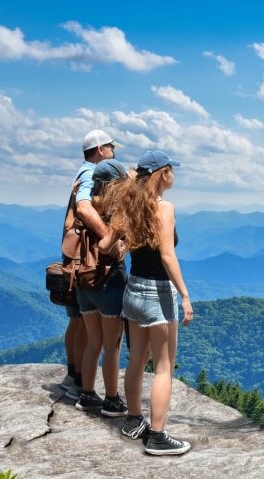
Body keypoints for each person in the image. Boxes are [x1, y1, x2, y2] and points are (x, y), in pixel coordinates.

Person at [99, 150, 192, 456]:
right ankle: (157, 436)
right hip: (158, 293)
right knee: (163, 368)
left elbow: (104, 245)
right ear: (162, 174)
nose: (174, 176)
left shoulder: (129, 205)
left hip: (133, 290)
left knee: (136, 360)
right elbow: (167, 255)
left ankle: (133, 419)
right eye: (171, 171)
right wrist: (185, 295)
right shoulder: (164, 208)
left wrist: (123, 243)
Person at [59, 130, 116, 397]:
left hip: (73, 257)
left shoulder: (81, 172)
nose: (114, 152)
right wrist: (109, 237)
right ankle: (80, 381)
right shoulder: (92, 174)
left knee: (77, 318)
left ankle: (73, 375)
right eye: (111, 147)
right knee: (84, 321)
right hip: (87, 260)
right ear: (100, 150)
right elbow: (83, 207)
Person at [73, 159, 131, 417]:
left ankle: (86, 394)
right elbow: (117, 251)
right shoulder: (114, 209)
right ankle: (111, 400)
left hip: (83, 280)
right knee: (112, 346)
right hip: (109, 281)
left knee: (93, 342)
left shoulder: (85, 207)